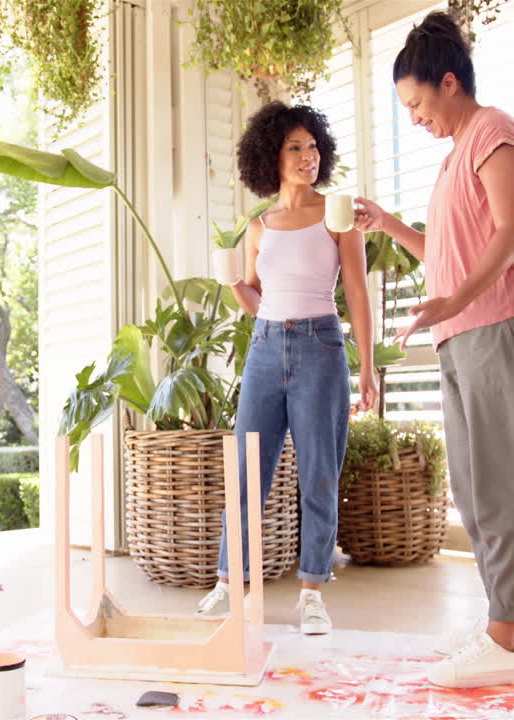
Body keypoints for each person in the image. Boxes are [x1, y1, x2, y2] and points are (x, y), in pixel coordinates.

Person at [352, 11, 514, 688]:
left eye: (416, 103)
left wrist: (455, 298)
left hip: (506, 325)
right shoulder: (455, 157)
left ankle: (506, 641)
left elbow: (513, 231)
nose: (414, 117)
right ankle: (500, 620)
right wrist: (385, 224)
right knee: (474, 491)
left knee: (502, 484)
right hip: (465, 333)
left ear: (449, 82)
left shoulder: (496, 133)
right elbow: (443, 251)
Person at [197, 101, 378, 636]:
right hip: (266, 346)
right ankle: (231, 584)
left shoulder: (336, 214)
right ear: (270, 156)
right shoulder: (259, 228)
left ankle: (312, 592)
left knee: (320, 471)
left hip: (321, 345)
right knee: (248, 467)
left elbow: (358, 292)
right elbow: (255, 295)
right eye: (296, 147)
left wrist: (366, 365)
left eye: (313, 146)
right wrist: (234, 284)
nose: (308, 157)